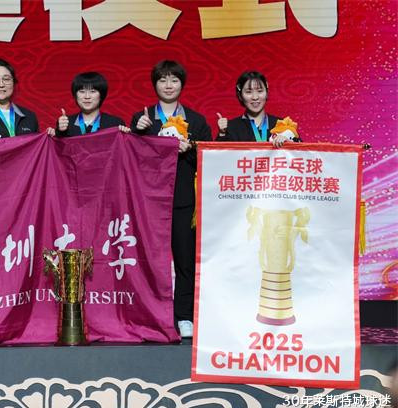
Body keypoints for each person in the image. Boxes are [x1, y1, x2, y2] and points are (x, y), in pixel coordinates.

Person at [130, 60, 211, 338]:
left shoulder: (197, 121)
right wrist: (138, 132)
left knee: (185, 261)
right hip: (149, 201)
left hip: (183, 200)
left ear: (181, 85)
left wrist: (190, 149)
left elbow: (207, 161)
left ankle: (184, 315)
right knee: (150, 261)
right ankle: (153, 314)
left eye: (174, 80)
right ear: (155, 84)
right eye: (162, 80)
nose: (168, 85)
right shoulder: (142, 119)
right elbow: (131, 159)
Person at [216, 71, 300, 147]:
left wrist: (289, 143)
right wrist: (222, 134)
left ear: (267, 93)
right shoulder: (231, 127)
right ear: (240, 96)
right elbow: (219, 156)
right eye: (248, 92)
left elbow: (301, 151)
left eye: (260, 91)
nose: (255, 97)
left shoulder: (282, 124)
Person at [56, 72, 128, 137]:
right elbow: (58, 146)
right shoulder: (66, 123)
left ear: (101, 95)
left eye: (92, 91)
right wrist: (60, 132)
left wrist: (126, 135)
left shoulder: (115, 124)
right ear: (75, 95)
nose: (87, 96)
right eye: (82, 91)